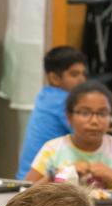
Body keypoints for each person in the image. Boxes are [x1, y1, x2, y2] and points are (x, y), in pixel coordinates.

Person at [15, 46, 88, 179]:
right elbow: (87, 134)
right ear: (54, 78)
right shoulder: (63, 101)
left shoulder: (45, 94)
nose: (82, 80)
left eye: (83, 74)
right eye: (74, 74)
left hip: (26, 176)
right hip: (39, 180)